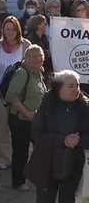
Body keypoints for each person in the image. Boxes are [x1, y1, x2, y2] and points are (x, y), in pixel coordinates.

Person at [26, 70, 89, 203]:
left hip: (73, 168)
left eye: (77, 85)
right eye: (70, 86)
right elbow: (37, 135)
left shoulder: (85, 108)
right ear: (59, 88)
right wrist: (63, 140)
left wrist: (79, 140)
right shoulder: (46, 107)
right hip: (47, 166)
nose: (76, 89)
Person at [0, 15, 31, 169]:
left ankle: (24, 157)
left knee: (20, 125)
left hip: (19, 93)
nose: (10, 32)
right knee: (1, 125)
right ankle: (6, 158)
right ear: (3, 30)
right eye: (7, 29)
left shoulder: (25, 45)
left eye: (13, 29)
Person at [5, 44, 47, 190]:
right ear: (26, 59)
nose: (38, 59)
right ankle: (18, 182)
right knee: (20, 151)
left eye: (40, 55)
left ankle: (35, 176)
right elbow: (12, 96)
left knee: (41, 148)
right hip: (20, 120)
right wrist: (27, 113)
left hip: (34, 120)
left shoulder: (38, 72)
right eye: (34, 56)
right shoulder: (23, 73)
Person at [27, 14, 53, 89]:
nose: (46, 24)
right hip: (36, 70)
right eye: (44, 23)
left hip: (46, 70)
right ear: (38, 25)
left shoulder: (45, 38)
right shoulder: (31, 39)